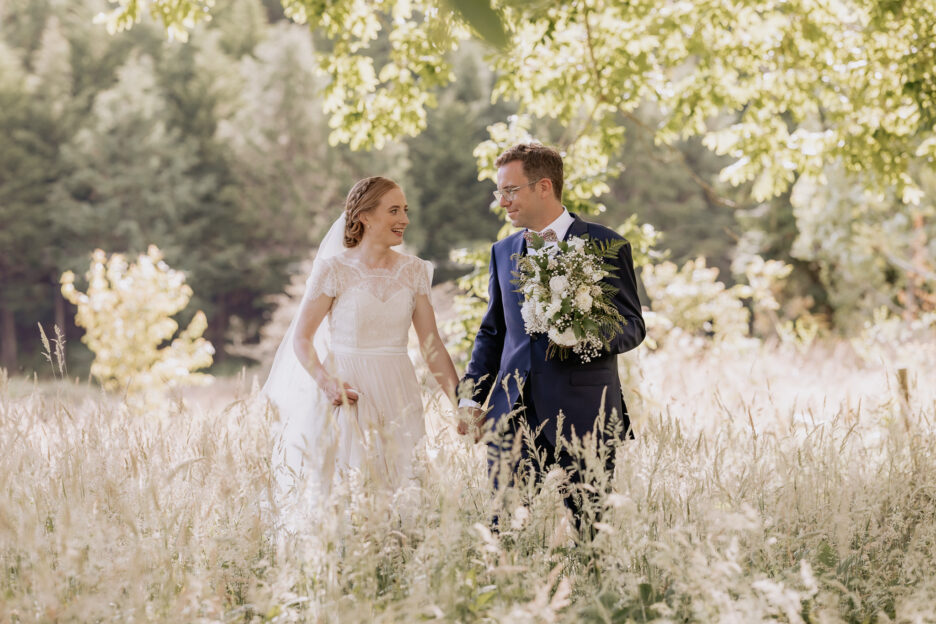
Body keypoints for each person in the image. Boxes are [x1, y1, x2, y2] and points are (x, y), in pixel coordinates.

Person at [459, 143, 645, 523]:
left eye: (510, 191)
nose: (502, 202)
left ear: (544, 186)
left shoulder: (605, 244)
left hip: (585, 415)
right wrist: (471, 397)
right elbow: (493, 332)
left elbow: (632, 325)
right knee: (502, 532)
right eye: (500, 192)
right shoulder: (502, 251)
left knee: (589, 536)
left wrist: (586, 335)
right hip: (511, 415)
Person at [263, 176, 459, 517]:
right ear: (365, 216)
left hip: (398, 390)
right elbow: (302, 337)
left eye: (405, 210)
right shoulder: (334, 270)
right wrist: (326, 382)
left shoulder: (414, 271)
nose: (405, 220)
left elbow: (432, 347)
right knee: (345, 496)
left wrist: (460, 404)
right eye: (394, 210)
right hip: (347, 392)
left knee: (400, 495)